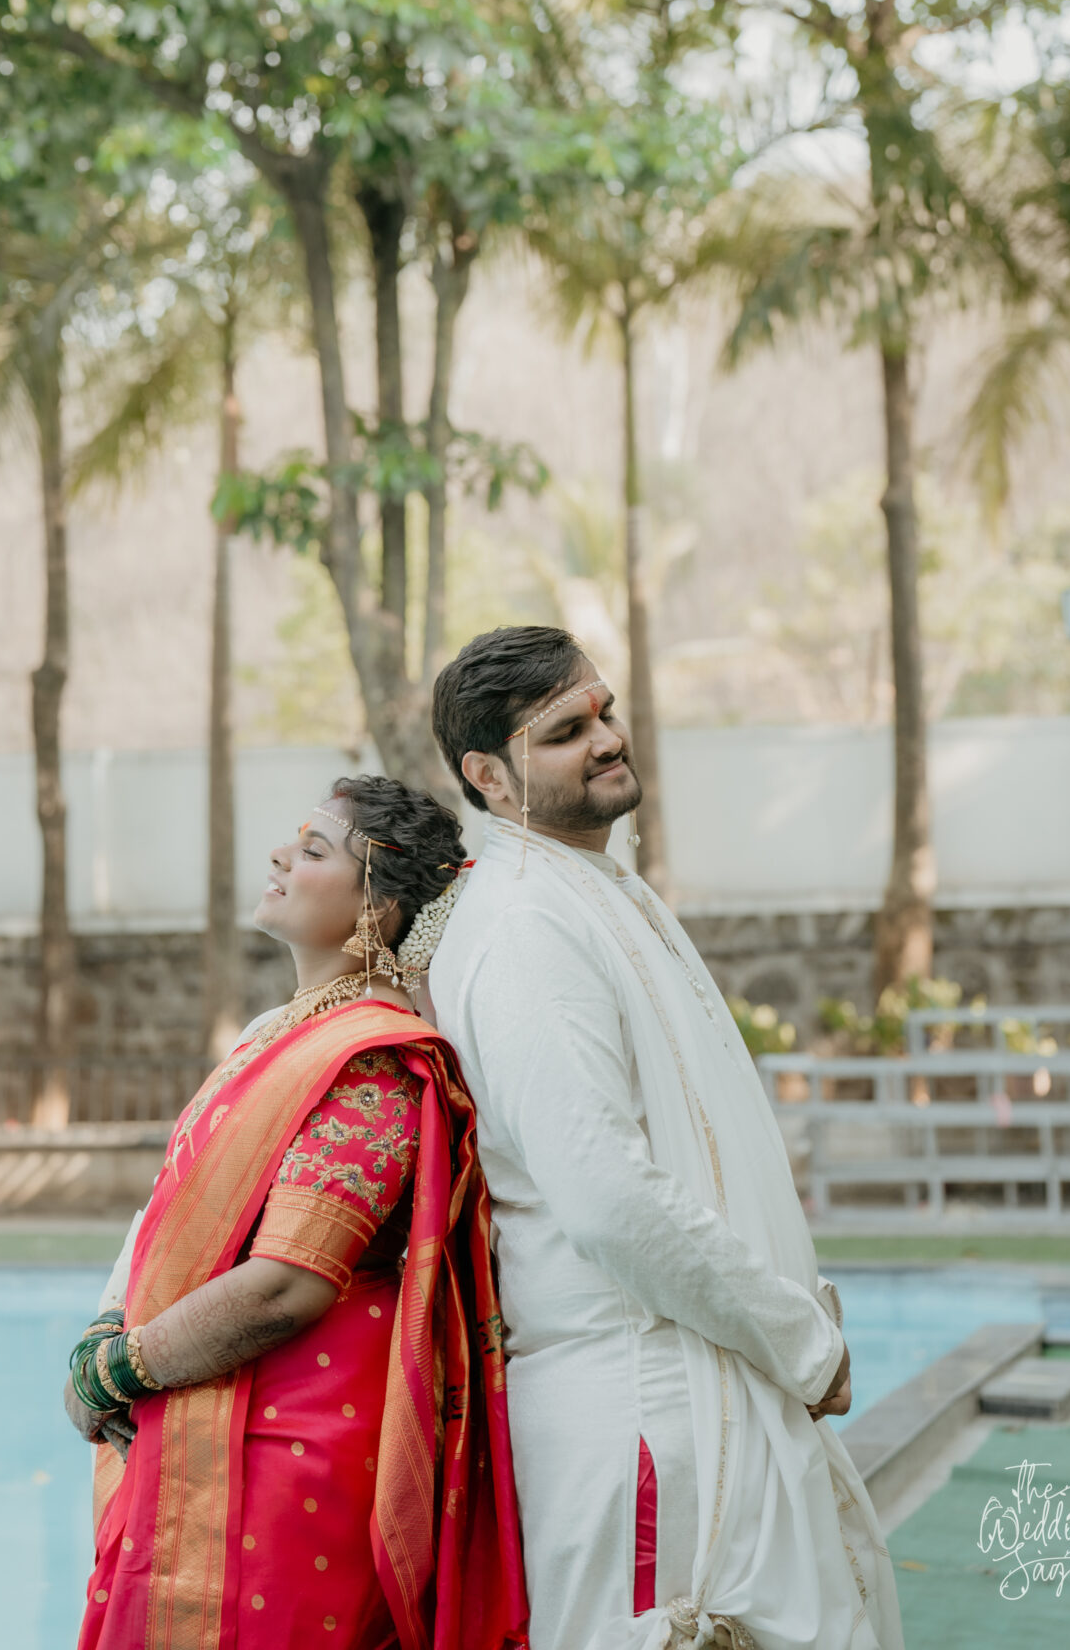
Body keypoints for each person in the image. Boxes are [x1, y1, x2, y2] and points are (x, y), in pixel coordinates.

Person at [426, 626, 903, 1650]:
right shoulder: (523, 925)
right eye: (565, 732)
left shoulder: (592, 886)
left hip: (702, 1389)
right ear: (488, 777)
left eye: (604, 711)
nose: (607, 739)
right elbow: (606, 1197)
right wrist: (801, 1342)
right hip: (645, 1414)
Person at [66, 772, 529, 1650]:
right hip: (213, 1412)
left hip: (287, 1450)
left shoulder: (373, 1060)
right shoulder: (274, 1034)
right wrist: (105, 1327)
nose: (280, 855)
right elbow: (170, 1211)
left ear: (377, 907)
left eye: (313, 850)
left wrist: (114, 1372)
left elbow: (287, 1284)